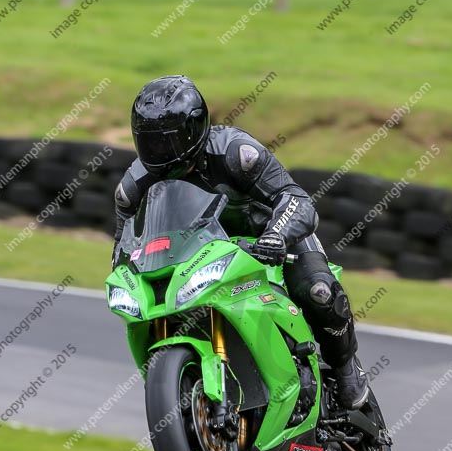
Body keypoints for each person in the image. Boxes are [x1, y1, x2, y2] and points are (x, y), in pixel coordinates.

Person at [112, 75, 368, 409]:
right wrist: (125, 275)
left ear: (193, 128)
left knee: (319, 293)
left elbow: (295, 199)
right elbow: (124, 246)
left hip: (269, 242)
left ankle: (346, 368)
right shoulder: (133, 187)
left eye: (167, 141)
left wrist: (277, 235)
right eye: (150, 142)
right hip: (196, 260)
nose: (159, 151)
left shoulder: (236, 153)